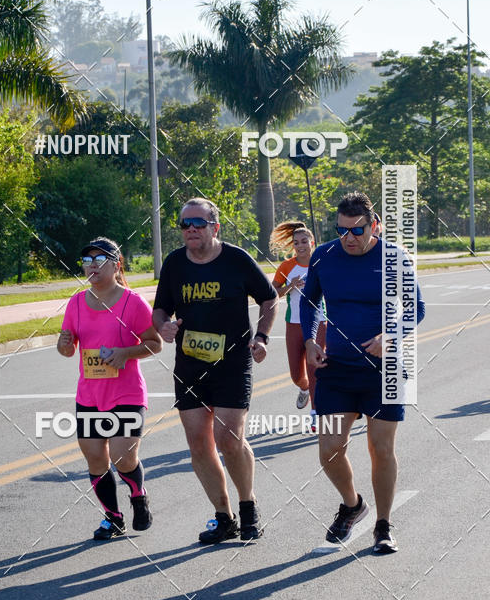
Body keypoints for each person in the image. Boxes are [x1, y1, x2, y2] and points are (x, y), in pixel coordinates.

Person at [301, 192, 425, 554]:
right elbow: (311, 302)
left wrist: (391, 335)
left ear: (374, 226)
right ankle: (353, 505)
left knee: (380, 449)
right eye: (341, 230)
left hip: (384, 370)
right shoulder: (324, 255)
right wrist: (310, 341)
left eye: (356, 231)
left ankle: (383, 526)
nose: (348, 238)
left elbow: (415, 308)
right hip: (336, 368)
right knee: (329, 449)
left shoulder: (394, 258)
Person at [153, 198, 278, 544]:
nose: (191, 229)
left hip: (233, 362)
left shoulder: (236, 260)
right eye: (184, 224)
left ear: (215, 227)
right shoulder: (175, 264)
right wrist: (163, 327)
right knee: (198, 444)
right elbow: (160, 309)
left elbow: (269, 299)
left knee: (229, 439)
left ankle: (248, 506)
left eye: (198, 223)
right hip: (190, 365)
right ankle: (224, 516)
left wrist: (262, 337)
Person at [58, 237, 162, 540]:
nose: (92, 265)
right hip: (89, 394)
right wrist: (63, 344)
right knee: (95, 458)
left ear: (117, 265)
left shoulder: (132, 302)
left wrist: (125, 353)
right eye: (87, 260)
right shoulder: (76, 302)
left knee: (122, 457)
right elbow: (68, 347)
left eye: (99, 259)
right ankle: (113, 519)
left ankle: (138, 495)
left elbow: (155, 343)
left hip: (126, 393)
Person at [271, 221, 326, 431]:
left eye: (304, 241)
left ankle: (315, 413)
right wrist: (290, 286)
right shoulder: (287, 267)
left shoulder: (321, 262)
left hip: (319, 322)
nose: (300, 245)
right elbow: (272, 294)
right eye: (296, 243)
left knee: (315, 371)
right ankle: (304, 389)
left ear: (312, 242)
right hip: (293, 324)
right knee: (297, 375)